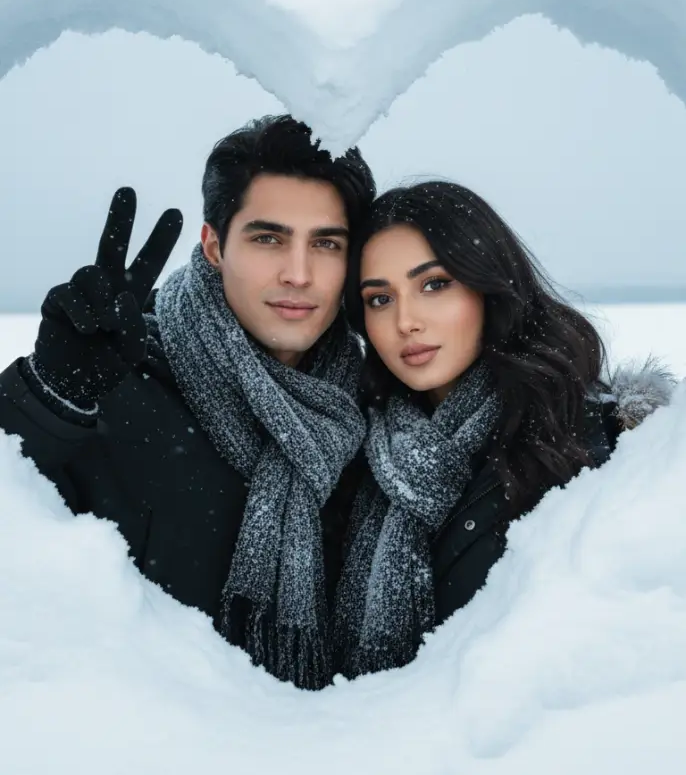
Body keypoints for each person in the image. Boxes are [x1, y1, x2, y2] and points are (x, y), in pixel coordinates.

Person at [0, 115, 376, 690]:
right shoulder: (115, 377)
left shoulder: (371, 412)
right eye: (267, 238)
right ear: (214, 246)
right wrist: (48, 399)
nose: (298, 274)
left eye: (325, 244)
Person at [332, 181, 675, 680]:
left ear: (488, 285)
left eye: (434, 284)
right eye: (380, 298)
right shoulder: (352, 455)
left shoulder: (608, 444)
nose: (406, 321)